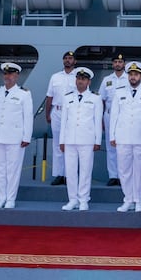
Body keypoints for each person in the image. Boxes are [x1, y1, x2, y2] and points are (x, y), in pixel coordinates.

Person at [109, 61, 141, 213]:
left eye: (136, 74)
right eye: (130, 74)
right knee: (124, 170)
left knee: (140, 171)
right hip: (123, 137)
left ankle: (138, 200)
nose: (133, 77)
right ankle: (128, 199)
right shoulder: (119, 92)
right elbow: (114, 116)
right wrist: (113, 135)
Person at [0, 62, 33, 209]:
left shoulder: (24, 94)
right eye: (6, 74)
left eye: (11, 74)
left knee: (13, 169)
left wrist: (27, 137)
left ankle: (11, 198)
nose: (8, 76)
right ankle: (1, 198)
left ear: (17, 76)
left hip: (15, 137)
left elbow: (28, 117)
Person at [60, 67, 103, 211]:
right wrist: (62, 140)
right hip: (70, 139)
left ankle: (83, 199)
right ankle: (72, 199)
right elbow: (63, 121)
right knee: (70, 171)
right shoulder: (67, 97)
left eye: (83, 79)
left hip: (87, 139)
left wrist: (97, 141)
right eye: (78, 79)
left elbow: (98, 121)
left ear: (89, 81)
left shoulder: (95, 98)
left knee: (85, 171)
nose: (80, 82)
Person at [44, 50, 77, 186]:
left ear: (75, 61)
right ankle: (59, 174)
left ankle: (70, 175)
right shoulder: (55, 77)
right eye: (66, 58)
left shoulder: (79, 77)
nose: (68, 60)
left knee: (71, 144)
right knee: (57, 144)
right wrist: (47, 113)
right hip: (57, 111)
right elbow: (49, 96)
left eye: (70, 58)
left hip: (73, 112)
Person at [100, 54, 127, 186]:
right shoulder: (107, 80)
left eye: (120, 62)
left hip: (124, 116)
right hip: (109, 115)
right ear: (112, 64)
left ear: (124, 64)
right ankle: (113, 175)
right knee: (111, 147)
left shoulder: (129, 78)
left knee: (123, 147)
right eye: (115, 61)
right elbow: (102, 101)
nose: (118, 64)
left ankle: (123, 176)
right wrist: (101, 119)